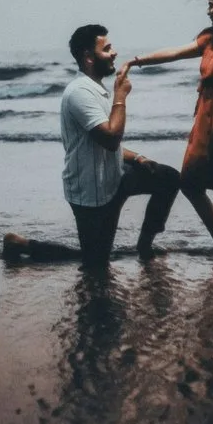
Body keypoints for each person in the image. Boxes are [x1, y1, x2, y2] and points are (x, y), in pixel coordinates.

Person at [125, 0, 213, 264]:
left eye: (212, 5)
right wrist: (137, 61)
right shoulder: (212, 38)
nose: (208, 11)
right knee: (190, 183)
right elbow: (175, 52)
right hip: (205, 119)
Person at [52, 22, 180, 262]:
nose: (114, 53)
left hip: (115, 178)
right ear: (88, 58)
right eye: (107, 48)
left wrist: (139, 158)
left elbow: (108, 146)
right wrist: (120, 96)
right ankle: (22, 245)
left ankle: (144, 245)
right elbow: (110, 139)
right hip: (91, 192)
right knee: (94, 261)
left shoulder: (95, 88)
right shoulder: (79, 92)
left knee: (168, 177)